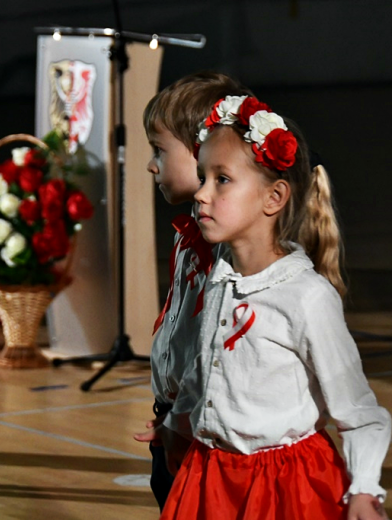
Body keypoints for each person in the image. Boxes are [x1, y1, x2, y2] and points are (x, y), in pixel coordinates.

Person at [159, 95, 392, 519]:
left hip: (285, 487)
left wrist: (364, 490)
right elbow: (205, 365)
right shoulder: (220, 275)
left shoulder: (306, 297)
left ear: (274, 197)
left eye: (222, 179)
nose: (202, 193)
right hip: (211, 477)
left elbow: (359, 411)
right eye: (201, 177)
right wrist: (178, 422)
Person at [132, 72, 253, 511]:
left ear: (203, 152)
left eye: (159, 150)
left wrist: (183, 418)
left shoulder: (231, 255)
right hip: (173, 418)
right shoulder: (190, 232)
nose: (151, 164)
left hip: (203, 430)